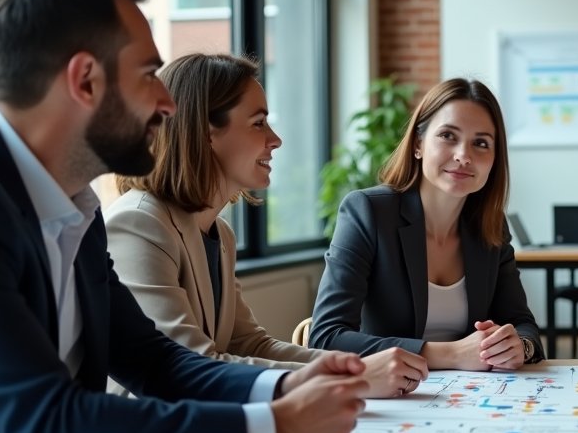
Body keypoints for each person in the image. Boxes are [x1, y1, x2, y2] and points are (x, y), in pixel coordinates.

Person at [0, 0, 367, 433]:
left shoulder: (75, 205)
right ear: (85, 81)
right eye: (148, 74)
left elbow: (156, 362)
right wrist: (277, 426)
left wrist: (288, 388)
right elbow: (55, 424)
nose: (168, 102)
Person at [105, 53, 428, 398]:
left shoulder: (219, 233)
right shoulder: (139, 224)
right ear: (206, 132)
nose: (275, 139)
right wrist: (353, 379)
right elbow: (191, 365)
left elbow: (249, 343)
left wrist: (354, 368)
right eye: (258, 123)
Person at [309, 78, 544, 371]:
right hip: (390, 396)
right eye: (448, 135)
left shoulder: (490, 226)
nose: (463, 156)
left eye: (481, 143)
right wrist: (452, 354)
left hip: (469, 397)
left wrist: (519, 346)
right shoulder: (367, 212)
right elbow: (326, 338)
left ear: (495, 160)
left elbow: (523, 324)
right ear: (418, 144)